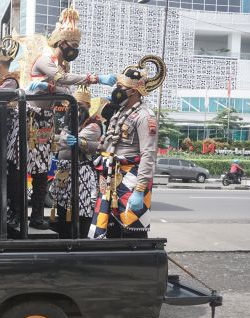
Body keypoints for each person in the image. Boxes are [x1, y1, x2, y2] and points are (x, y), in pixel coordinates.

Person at [25, 3, 116, 230]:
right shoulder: (46, 59)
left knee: (41, 170)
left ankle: (36, 216)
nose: (75, 49)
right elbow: (62, 79)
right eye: (73, 45)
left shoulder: (62, 66)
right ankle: (17, 213)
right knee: (23, 168)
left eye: (77, 45)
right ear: (61, 43)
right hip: (29, 119)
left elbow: (63, 90)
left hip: (45, 121)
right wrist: (95, 78)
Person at [88, 55, 167, 239]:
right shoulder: (119, 110)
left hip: (131, 179)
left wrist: (140, 190)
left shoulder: (145, 116)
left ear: (133, 91)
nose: (117, 91)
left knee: (131, 230)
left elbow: (148, 154)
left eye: (121, 88)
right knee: (109, 229)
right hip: (110, 177)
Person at [50, 86, 101, 238]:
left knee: (80, 211)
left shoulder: (93, 125)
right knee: (62, 209)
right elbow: (58, 140)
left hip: (81, 172)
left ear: (88, 107)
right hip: (64, 171)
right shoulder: (69, 125)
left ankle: (78, 241)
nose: (76, 111)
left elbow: (63, 141)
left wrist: (60, 138)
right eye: (74, 107)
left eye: (80, 107)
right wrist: (61, 136)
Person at [0, 37, 22, 228]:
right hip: (5, 131)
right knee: (8, 177)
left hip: (13, 133)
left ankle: (17, 213)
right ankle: (10, 211)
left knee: (14, 178)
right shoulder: (2, 81)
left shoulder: (10, 81)